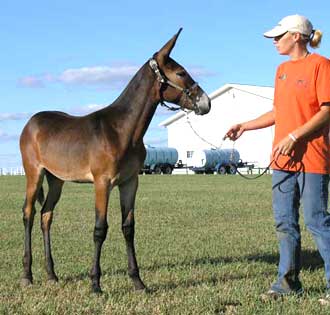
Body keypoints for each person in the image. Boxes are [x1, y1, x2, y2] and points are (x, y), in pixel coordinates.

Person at [225, 14, 330, 303]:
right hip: (282, 162)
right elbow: (278, 112)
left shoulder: (321, 66)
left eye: (278, 36)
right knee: (285, 222)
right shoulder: (282, 69)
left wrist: (294, 137)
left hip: (312, 160)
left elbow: (326, 111)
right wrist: (244, 125)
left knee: (317, 222)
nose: (274, 41)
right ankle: (286, 283)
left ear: (296, 36)